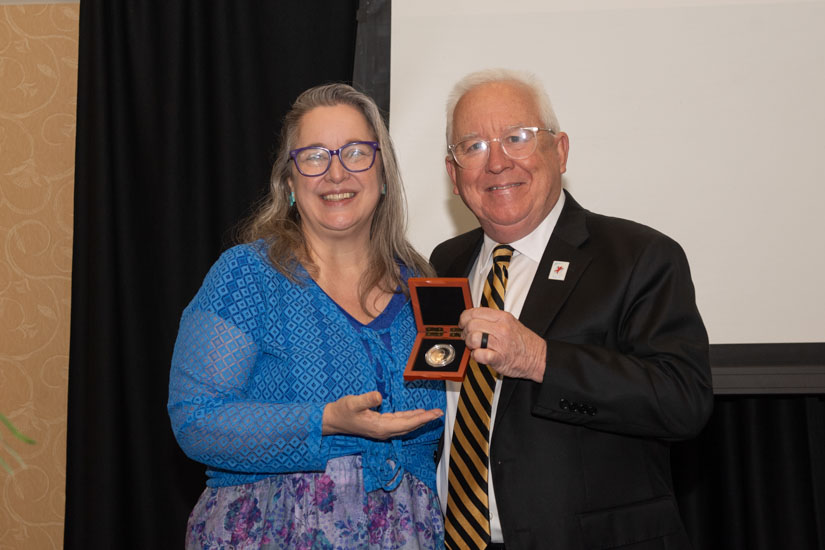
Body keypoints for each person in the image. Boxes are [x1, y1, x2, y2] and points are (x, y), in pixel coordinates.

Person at [432, 68, 714, 549]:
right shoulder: (443, 263)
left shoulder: (638, 255)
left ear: (559, 151)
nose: (497, 163)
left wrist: (540, 359)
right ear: (453, 174)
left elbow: (682, 402)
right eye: (474, 146)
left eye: (517, 138)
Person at [168, 83, 446, 549]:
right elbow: (196, 420)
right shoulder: (247, 276)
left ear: (382, 173)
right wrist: (324, 420)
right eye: (315, 156)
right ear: (290, 182)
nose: (336, 173)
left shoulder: (424, 289)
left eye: (356, 152)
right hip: (271, 532)